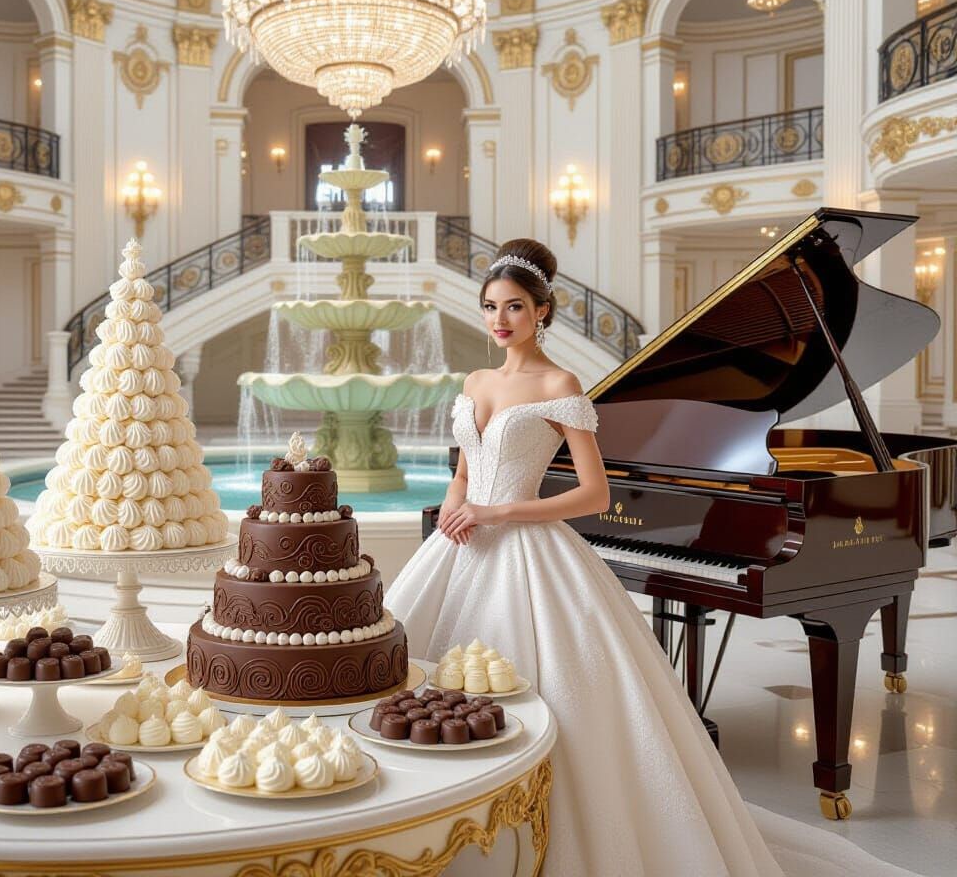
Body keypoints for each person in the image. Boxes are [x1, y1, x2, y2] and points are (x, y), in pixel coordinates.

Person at [385, 239, 916, 877]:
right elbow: (465, 471)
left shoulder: (560, 384)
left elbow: (594, 494)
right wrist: (454, 503)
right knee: (419, 680)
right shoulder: (475, 381)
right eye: (491, 307)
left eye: (515, 308)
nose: (500, 320)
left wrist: (496, 512)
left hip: (526, 548)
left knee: (548, 695)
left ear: (543, 312)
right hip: (461, 545)